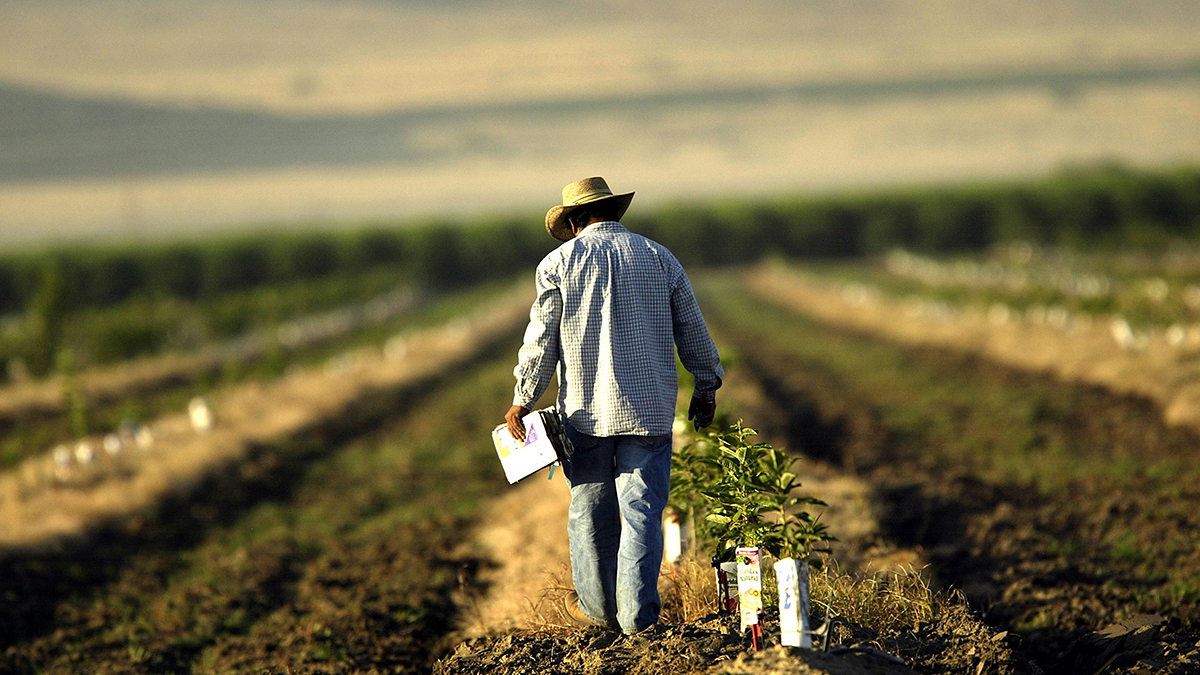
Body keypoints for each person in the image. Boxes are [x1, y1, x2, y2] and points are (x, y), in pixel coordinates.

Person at [505, 176, 723, 634]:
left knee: (589, 513)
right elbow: (692, 329)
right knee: (643, 513)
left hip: (584, 414)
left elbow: (540, 340)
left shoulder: (557, 264)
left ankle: (601, 614)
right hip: (649, 411)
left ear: (574, 221)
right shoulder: (658, 257)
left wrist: (523, 399)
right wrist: (706, 386)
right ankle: (637, 621)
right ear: (612, 213)